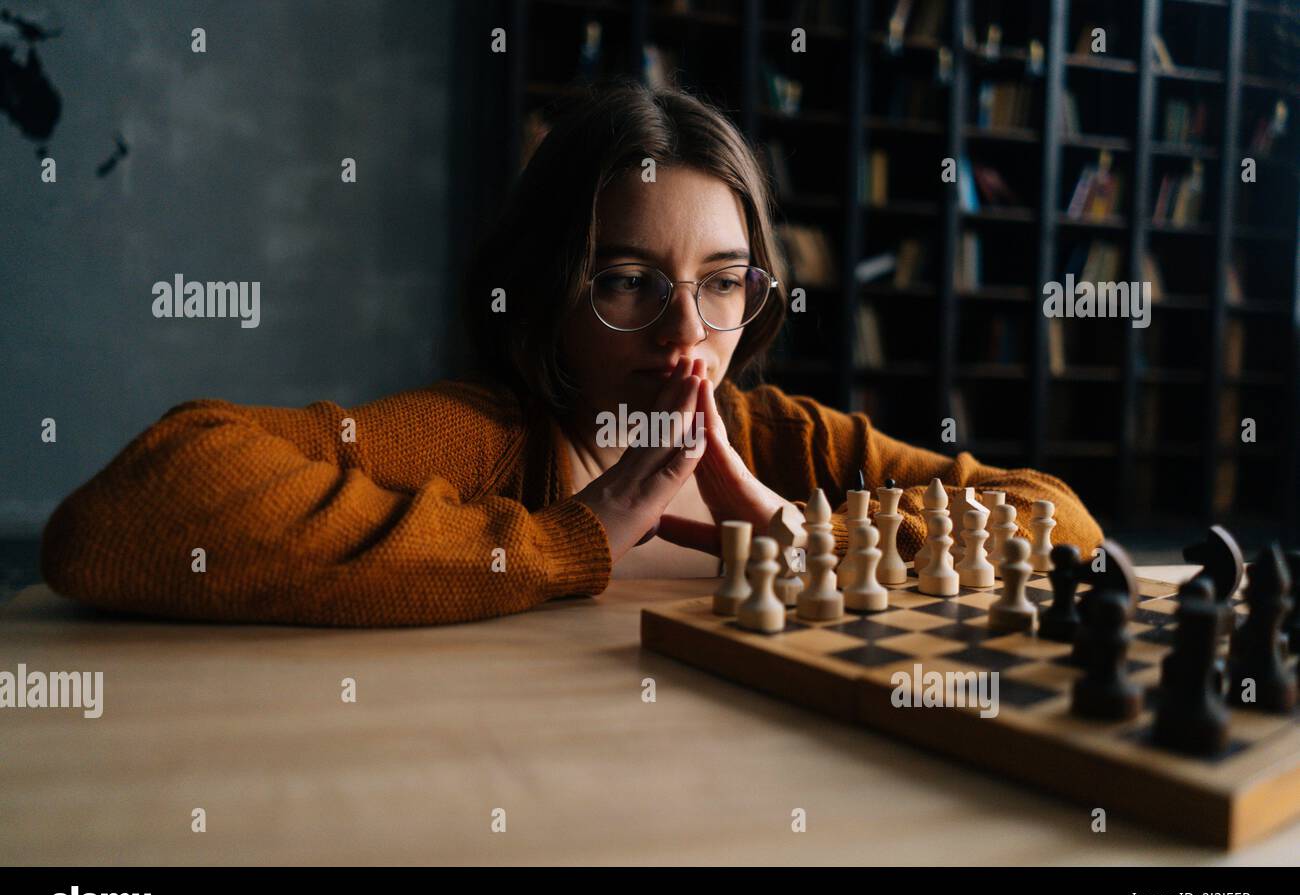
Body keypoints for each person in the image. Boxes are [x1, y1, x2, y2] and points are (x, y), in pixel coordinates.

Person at [39, 82, 1103, 627]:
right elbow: (124, 518)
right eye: (627, 280)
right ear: (549, 293)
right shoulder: (486, 438)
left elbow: (1061, 519)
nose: (687, 337)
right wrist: (563, 540)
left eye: (723, 281)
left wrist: (791, 529)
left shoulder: (779, 438)